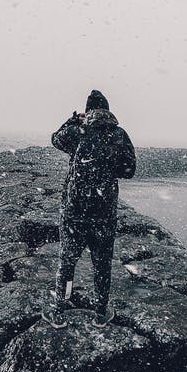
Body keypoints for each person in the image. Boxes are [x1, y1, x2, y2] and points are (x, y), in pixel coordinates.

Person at [43, 89, 136, 328]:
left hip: (75, 212)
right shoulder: (119, 134)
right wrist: (106, 171)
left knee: (67, 263)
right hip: (104, 213)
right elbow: (129, 171)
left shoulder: (77, 131)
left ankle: (59, 312)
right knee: (102, 265)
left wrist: (73, 119)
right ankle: (100, 314)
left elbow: (55, 138)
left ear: (89, 111)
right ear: (108, 109)